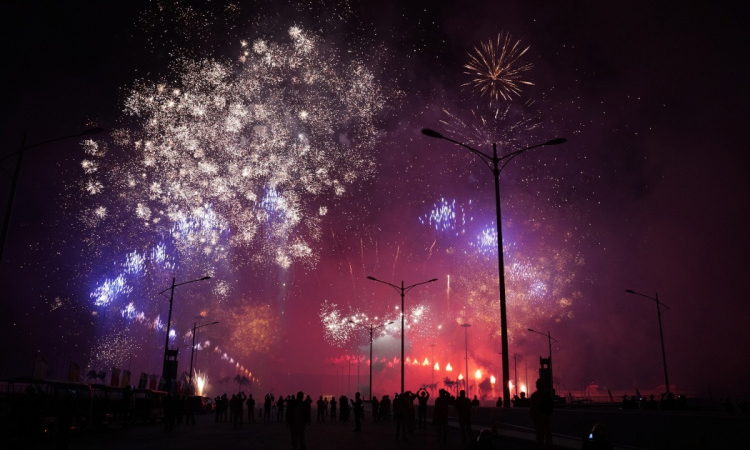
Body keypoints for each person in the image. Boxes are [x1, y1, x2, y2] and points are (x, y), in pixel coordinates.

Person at [530, 378, 554, 448]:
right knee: (548, 436)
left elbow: (533, 409)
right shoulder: (548, 396)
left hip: (539, 419)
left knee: (540, 437)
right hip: (546, 419)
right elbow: (551, 408)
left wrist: (534, 418)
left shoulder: (535, 396)